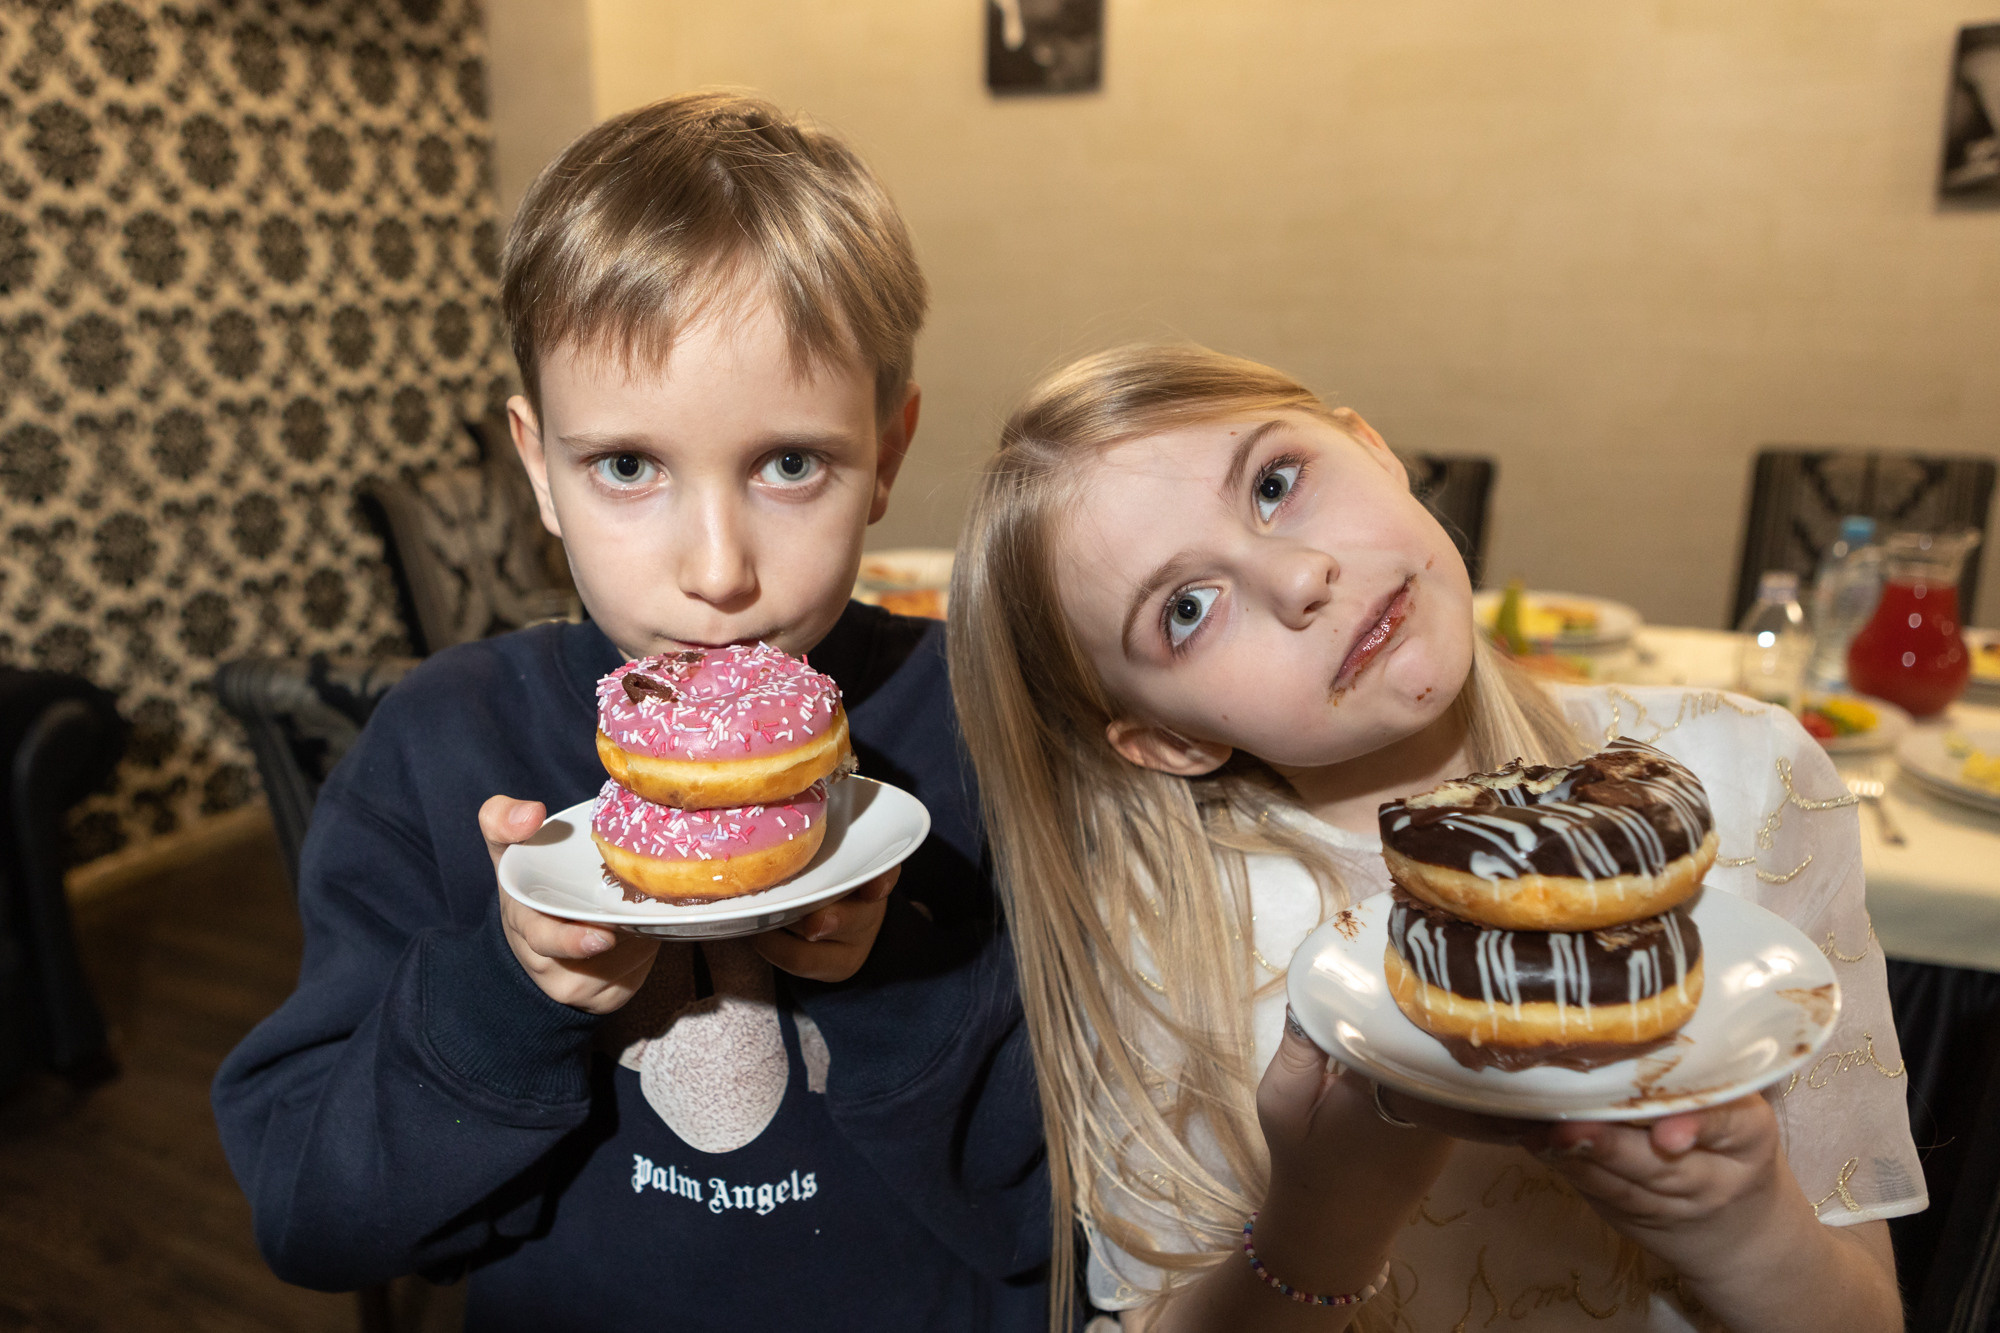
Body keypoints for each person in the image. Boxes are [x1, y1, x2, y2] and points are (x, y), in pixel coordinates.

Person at [212, 94, 1049, 1331]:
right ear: (537, 470)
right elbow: (312, 1213)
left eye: (789, 463)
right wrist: (509, 986)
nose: (717, 571)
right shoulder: (442, 748)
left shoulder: (991, 723)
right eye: (625, 466)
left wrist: (902, 979)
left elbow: (1076, 1201)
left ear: (886, 451)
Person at [946, 343, 1924, 1332]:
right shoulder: (1163, 927)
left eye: (1274, 484)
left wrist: (1738, 1224)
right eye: (1187, 610)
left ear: (1368, 445)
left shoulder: (1743, 774)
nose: (1299, 576)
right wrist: (1318, 1219)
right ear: (1167, 737)